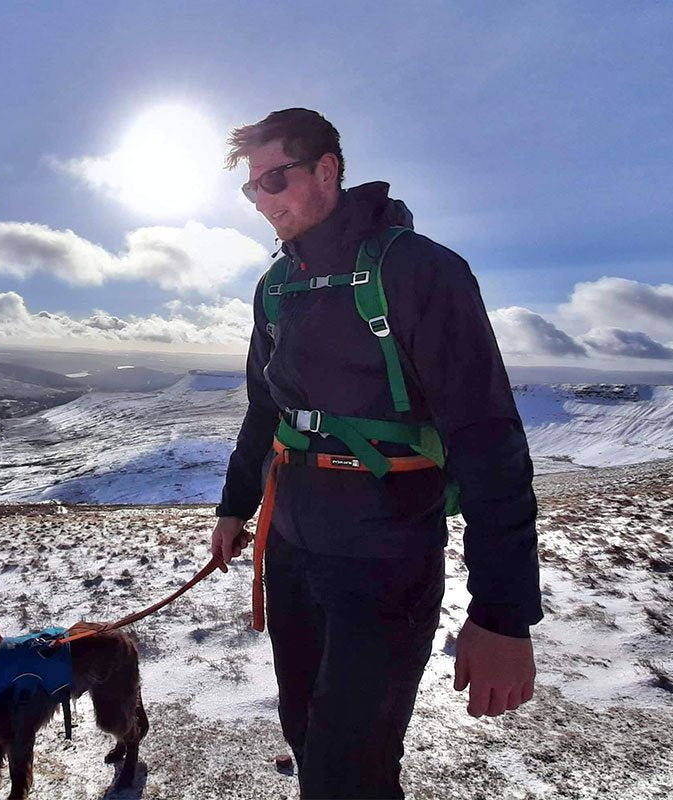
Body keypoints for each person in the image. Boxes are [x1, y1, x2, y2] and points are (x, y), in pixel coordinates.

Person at [210, 108, 542, 800]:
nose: (264, 201)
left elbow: (489, 440)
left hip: (385, 560)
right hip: (292, 551)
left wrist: (504, 617)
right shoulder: (277, 287)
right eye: (252, 189)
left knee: (347, 770)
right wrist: (235, 507)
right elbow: (266, 409)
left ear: (327, 169)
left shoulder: (420, 272)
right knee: (305, 736)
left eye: (276, 179)